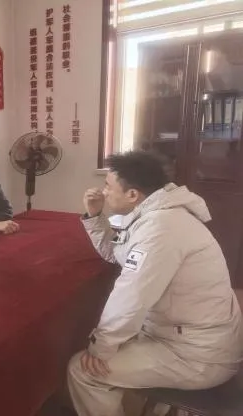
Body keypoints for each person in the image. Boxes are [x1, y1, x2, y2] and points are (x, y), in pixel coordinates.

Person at [68, 151, 243, 416]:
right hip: (185, 336)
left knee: (83, 370)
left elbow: (131, 297)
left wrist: (100, 348)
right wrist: (95, 216)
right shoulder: (157, 215)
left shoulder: (160, 229)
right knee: (108, 341)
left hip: (196, 355)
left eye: (108, 186)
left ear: (132, 194)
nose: (104, 192)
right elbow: (116, 253)